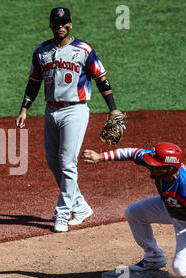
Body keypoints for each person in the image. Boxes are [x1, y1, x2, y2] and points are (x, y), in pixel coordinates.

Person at [15, 7, 125, 232]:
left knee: (67, 163)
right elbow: (34, 81)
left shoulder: (83, 49)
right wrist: (24, 109)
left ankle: (62, 214)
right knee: (54, 163)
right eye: (56, 22)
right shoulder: (41, 51)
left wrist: (113, 109)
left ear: (70, 24)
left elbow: (101, 79)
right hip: (50, 111)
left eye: (64, 22)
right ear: (51, 25)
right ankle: (81, 206)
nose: (60, 26)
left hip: (75, 111)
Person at [81, 142, 186, 278]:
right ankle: (153, 259)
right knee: (134, 213)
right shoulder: (160, 162)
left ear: (170, 169)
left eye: (155, 166)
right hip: (169, 207)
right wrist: (100, 156)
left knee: (180, 271)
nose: (150, 166)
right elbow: (132, 152)